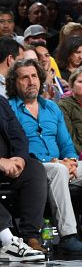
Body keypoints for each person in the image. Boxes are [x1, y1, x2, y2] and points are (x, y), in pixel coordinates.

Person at [8, 59, 82, 254]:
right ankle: (68, 235)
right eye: (25, 77)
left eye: (34, 76)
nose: (31, 81)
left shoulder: (51, 107)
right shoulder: (9, 108)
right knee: (57, 170)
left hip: (62, 162)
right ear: (14, 82)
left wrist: (72, 160)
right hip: (34, 166)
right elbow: (14, 145)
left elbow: (66, 142)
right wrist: (58, 162)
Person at [0, 95, 48, 254]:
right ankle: (8, 241)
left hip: (8, 165)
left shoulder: (1, 101)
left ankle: (30, 237)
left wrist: (19, 158)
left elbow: (18, 134)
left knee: (34, 169)